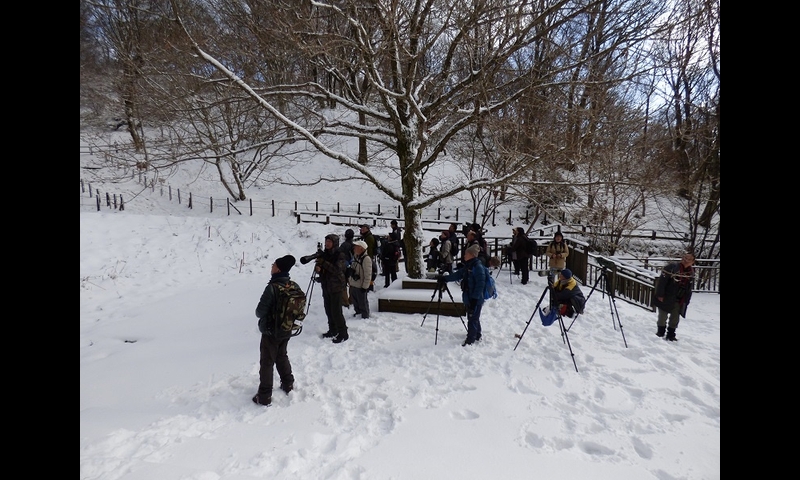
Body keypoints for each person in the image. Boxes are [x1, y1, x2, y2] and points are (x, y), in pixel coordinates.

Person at [252, 255, 297, 406]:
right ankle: (288, 383)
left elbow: (259, 312)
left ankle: (264, 396)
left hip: (271, 331)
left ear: (277, 269)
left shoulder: (272, 287)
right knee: (282, 355)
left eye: (273, 264)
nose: (271, 266)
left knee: (267, 361)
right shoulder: (292, 285)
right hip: (287, 328)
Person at [437, 244, 488, 346]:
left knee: (472, 317)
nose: (464, 255)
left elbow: (480, 284)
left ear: (472, 255)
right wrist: (445, 278)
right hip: (470, 296)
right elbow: (458, 274)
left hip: (475, 298)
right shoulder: (469, 265)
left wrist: (474, 300)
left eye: (466, 253)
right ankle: (477, 334)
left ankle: (471, 339)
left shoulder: (477, 267)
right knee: (474, 317)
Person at [653, 252, 695, 341]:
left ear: (692, 262)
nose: (686, 260)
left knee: (675, 317)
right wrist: (660, 294)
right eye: (685, 258)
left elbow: (689, 287)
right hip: (667, 295)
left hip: (679, 298)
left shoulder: (691, 273)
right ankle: (660, 332)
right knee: (662, 316)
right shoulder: (671, 268)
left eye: (689, 259)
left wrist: (686, 299)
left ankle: (671, 334)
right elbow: (662, 282)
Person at [316, 234, 349, 343]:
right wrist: (319, 268)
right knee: (328, 310)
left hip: (336, 287)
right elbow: (324, 269)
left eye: (329, 242)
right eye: (326, 242)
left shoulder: (340, 255)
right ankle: (333, 330)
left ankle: (343, 333)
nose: (327, 244)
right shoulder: (325, 254)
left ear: (334, 243)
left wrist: (324, 263)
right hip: (326, 286)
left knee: (336, 311)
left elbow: (337, 270)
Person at [348, 241, 372, 319]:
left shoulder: (366, 259)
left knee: (362, 302)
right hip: (354, 283)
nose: (354, 248)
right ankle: (358, 313)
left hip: (360, 285)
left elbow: (368, 274)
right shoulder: (356, 256)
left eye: (356, 246)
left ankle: (365, 316)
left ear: (361, 249)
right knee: (355, 301)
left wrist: (365, 287)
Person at [339, 228, 355, 308]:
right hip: (352, 266)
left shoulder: (343, 245)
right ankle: (351, 299)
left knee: (343, 284)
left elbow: (339, 254)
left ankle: (345, 301)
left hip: (344, 266)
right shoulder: (353, 245)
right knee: (351, 283)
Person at [358, 224, 378, 291]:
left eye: (364, 228)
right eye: (362, 228)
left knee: (369, 272)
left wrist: (367, 257)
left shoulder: (369, 237)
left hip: (368, 257)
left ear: (367, 229)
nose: (362, 229)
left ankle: (370, 287)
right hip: (367, 257)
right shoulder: (365, 236)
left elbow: (369, 249)